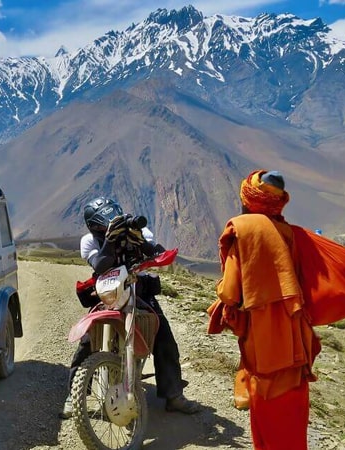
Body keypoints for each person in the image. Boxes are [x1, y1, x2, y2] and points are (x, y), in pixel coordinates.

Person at [206, 170, 321, 450]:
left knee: (267, 411)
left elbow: (230, 293)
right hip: (296, 335)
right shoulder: (291, 234)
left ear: (248, 199)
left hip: (264, 342)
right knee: (293, 413)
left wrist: (221, 292)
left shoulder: (243, 231)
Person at [61, 196, 200, 419]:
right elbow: (100, 265)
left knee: (164, 339)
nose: (112, 222)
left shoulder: (140, 232)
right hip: (109, 292)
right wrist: (110, 240)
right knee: (88, 340)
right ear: (95, 226)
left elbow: (158, 254)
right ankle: (74, 396)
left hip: (139, 290)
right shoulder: (89, 241)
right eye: (105, 221)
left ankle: (174, 395)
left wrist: (139, 241)